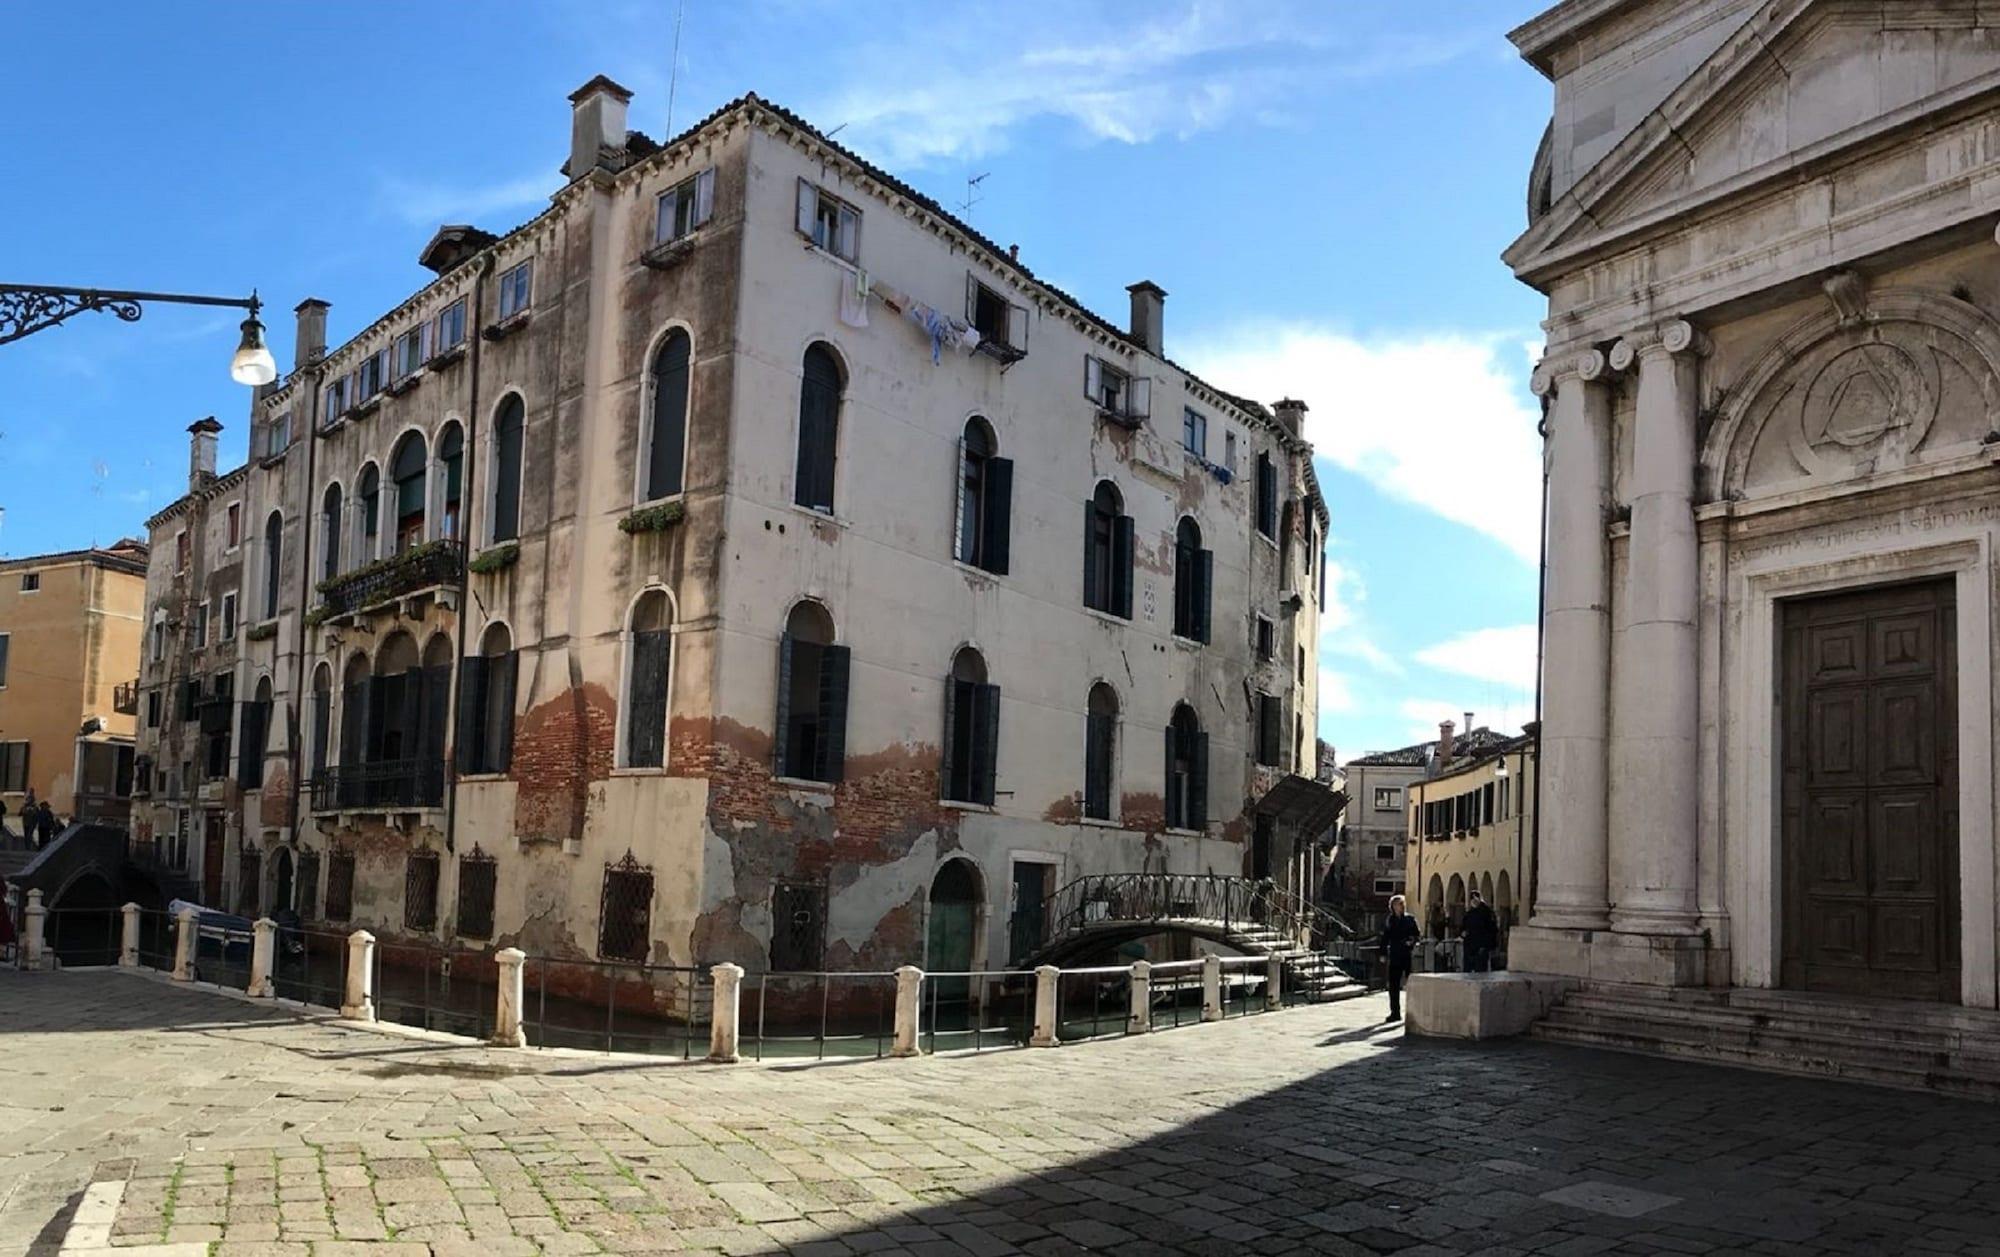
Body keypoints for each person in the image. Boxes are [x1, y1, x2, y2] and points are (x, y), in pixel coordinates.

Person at [1379, 894, 1421, 1022]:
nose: (1399, 906)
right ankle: (1395, 1012)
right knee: (1393, 985)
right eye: (1396, 904)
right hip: (1395, 954)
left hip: (1406, 954)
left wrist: (1411, 942)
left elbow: (1417, 934)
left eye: (1401, 904)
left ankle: (1413, 1012)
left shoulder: (1410, 919)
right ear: (1392, 906)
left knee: (1410, 984)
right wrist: (1383, 953)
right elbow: (1385, 937)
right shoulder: (1390, 920)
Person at [1462, 890, 1499, 974]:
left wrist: (1487, 945)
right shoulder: (1470, 913)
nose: (1474, 901)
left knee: (1480, 968)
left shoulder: (1486, 913)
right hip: (1471, 945)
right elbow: (1464, 927)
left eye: (1475, 898)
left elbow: (1491, 929)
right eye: (1472, 899)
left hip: (1481, 946)